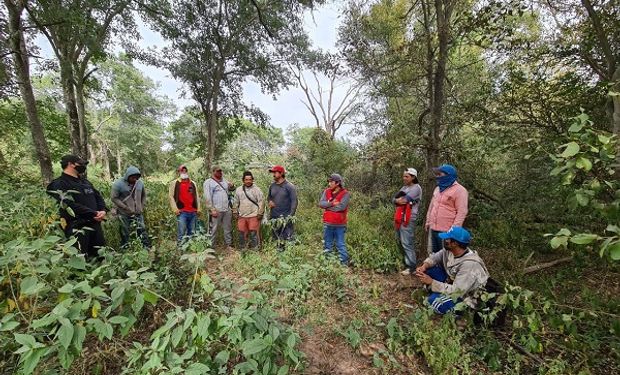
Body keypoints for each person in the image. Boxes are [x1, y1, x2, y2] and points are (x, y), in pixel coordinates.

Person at [415, 226, 489, 315]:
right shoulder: (450, 250)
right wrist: (424, 266)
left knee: (435, 302)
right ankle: (435, 292)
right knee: (428, 270)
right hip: (451, 281)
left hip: (465, 295)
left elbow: (457, 291)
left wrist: (431, 282)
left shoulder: (470, 264)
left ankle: (461, 314)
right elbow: (435, 258)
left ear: (455, 243)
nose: (445, 240)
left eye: (447, 238)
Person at [46, 155, 107, 259]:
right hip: (76, 227)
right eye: (81, 164)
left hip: (95, 224)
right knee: (79, 259)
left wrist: (102, 210)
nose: (83, 166)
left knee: (100, 257)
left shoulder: (85, 182)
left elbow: (98, 197)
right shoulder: (58, 184)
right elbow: (68, 204)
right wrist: (94, 213)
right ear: (70, 164)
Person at [424, 164, 468, 253]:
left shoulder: (460, 190)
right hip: (433, 228)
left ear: (448, 175)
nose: (437, 177)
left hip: (446, 231)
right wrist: (428, 221)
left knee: (446, 255)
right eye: (437, 174)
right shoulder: (437, 189)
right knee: (433, 253)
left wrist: (453, 231)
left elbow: (462, 212)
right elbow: (432, 206)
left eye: (440, 174)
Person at [111, 166, 150, 249]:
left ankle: (146, 246)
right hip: (124, 213)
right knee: (125, 231)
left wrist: (142, 206)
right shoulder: (118, 184)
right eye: (132, 177)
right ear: (127, 176)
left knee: (142, 229)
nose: (134, 179)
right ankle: (125, 247)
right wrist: (124, 207)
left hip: (138, 212)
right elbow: (114, 198)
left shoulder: (140, 183)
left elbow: (144, 196)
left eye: (136, 177)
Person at [393, 168, 422, 275]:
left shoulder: (416, 188)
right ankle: (406, 263)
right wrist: (397, 201)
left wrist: (399, 200)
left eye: (406, 176)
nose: (404, 178)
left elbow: (405, 200)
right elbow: (394, 200)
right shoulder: (404, 187)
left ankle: (412, 267)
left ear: (413, 177)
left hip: (408, 219)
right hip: (399, 217)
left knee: (407, 242)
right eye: (403, 176)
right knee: (400, 241)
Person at [319, 173, 351, 266]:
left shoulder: (345, 194)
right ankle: (327, 263)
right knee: (327, 243)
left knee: (340, 244)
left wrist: (327, 207)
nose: (329, 184)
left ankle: (344, 263)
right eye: (329, 181)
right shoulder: (326, 191)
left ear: (337, 183)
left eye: (331, 182)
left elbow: (341, 207)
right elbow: (321, 203)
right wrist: (332, 204)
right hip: (327, 223)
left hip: (340, 224)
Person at [203, 166, 235, 250]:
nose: (220, 173)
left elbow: (231, 189)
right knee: (213, 229)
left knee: (227, 228)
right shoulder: (208, 182)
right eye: (218, 171)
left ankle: (229, 245)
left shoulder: (224, 180)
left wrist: (232, 185)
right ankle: (210, 248)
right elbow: (207, 197)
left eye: (221, 171)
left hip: (226, 209)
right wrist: (212, 209)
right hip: (216, 210)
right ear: (213, 172)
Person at [267, 165, 298, 251]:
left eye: (275, 173)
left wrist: (290, 216)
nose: (273, 175)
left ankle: (288, 257)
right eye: (273, 173)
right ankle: (278, 256)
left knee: (287, 239)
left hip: (286, 217)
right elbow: (269, 197)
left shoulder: (289, 186)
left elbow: (294, 202)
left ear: (281, 173)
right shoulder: (272, 186)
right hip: (274, 217)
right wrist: (270, 201)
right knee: (276, 238)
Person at [168, 165, 201, 245]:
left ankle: (190, 249)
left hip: (193, 211)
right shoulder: (175, 183)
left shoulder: (193, 183)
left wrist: (199, 208)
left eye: (185, 171)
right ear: (179, 172)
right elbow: (171, 196)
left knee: (192, 232)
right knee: (181, 232)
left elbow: (197, 196)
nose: (184, 172)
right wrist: (175, 209)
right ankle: (180, 250)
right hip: (182, 212)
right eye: (182, 171)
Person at [232, 171, 265, 250]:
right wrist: (235, 211)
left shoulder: (257, 190)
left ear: (252, 180)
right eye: (246, 179)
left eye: (250, 179)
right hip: (242, 215)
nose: (248, 181)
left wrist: (260, 213)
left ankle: (255, 249)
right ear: (243, 180)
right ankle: (243, 249)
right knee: (241, 233)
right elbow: (235, 202)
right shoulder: (239, 190)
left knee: (253, 233)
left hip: (253, 215)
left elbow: (261, 201)